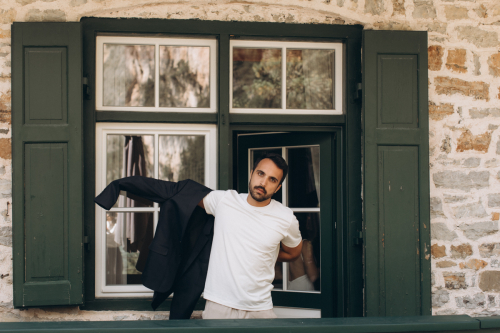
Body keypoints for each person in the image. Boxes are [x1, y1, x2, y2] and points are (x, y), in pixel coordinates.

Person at [198, 153, 303, 319]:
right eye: (260, 174)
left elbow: (293, 253)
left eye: (272, 179)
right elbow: (185, 196)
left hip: (260, 308)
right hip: (219, 305)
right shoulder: (225, 200)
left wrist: (264, 255)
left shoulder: (286, 218)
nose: (263, 182)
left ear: (277, 188)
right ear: (252, 173)